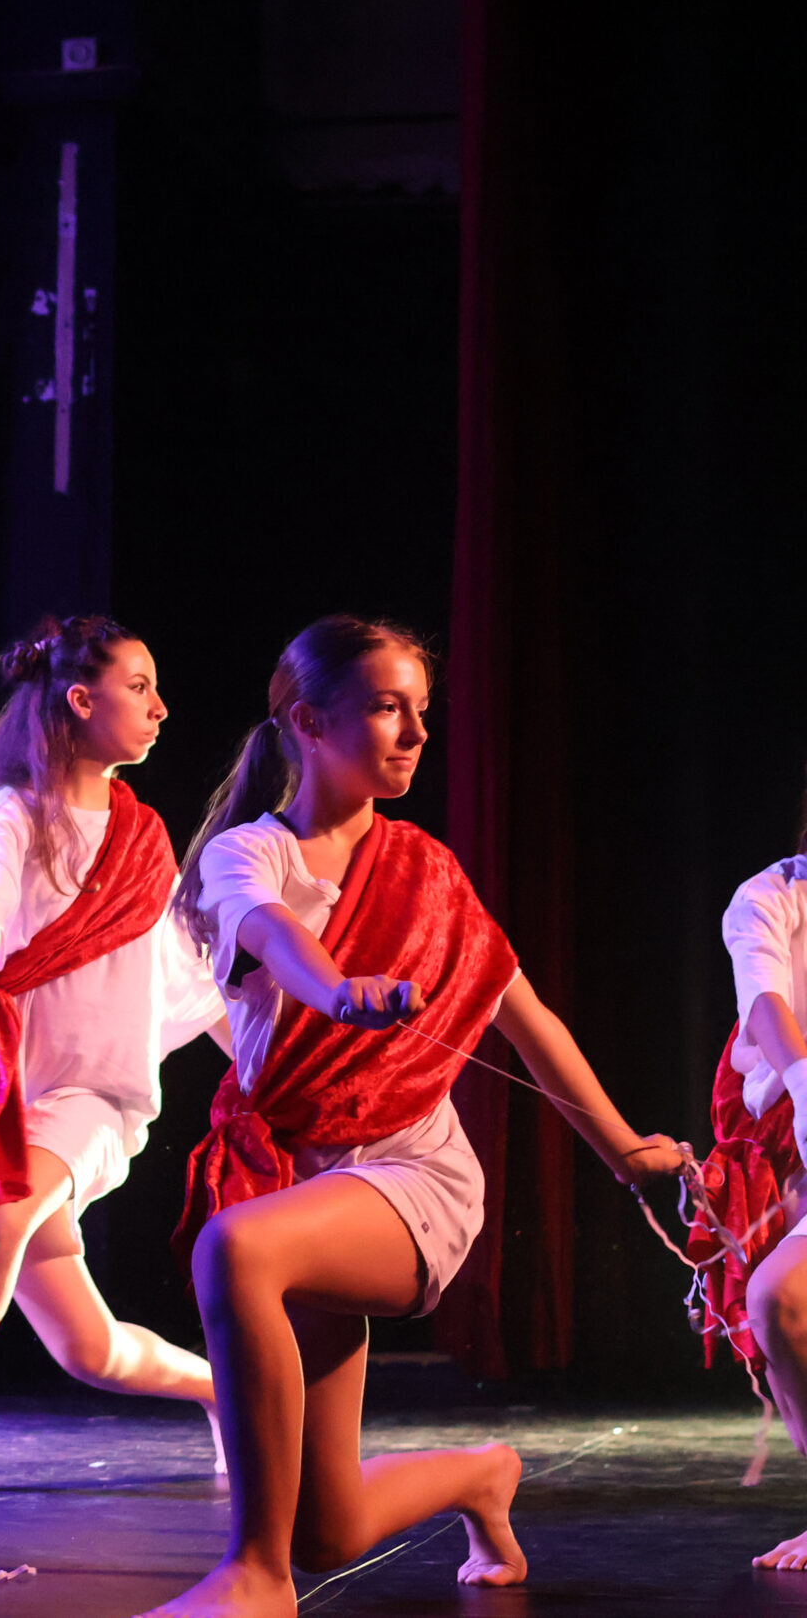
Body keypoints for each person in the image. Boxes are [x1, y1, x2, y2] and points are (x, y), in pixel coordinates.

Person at [147, 615, 683, 1618]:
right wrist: (336, 989)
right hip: (301, 1180)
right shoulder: (246, 855)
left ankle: (252, 1575)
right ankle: (481, 1475)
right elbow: (275, 935)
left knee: (234, 1249)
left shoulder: (428, 870)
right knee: (331, 1529)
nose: (416, 733)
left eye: (422, 711)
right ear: (308, 722)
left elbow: (529, 1021)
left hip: (408, 1179)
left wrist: (626, 1154)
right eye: (387, 708)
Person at [0, 618, 223, 1482]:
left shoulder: (142, 837)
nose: (161, 707)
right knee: (90, 1349)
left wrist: (268, 1066)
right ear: (80, 699)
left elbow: (181, 973)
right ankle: (221, 1388)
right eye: (139, 687)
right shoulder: (12, 810)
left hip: (91, 1097)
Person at [688, 774, 807, 1571]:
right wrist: (804, 1081)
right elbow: (766, 1001)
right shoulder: (769, 899)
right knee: (777, 1297)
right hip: (798, 1145)